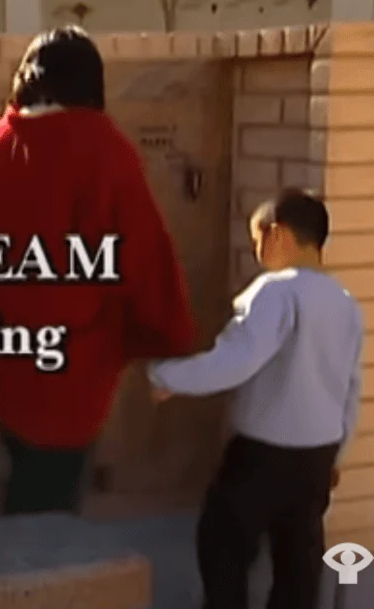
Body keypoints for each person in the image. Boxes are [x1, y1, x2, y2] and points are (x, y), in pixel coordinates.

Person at [0, 25, 197, 515]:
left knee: (24, 483)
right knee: (53, 509)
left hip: (6, 358)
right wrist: (168, 341)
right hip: (76, 369)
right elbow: (144, 255)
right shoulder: (105, 151)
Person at [147, 189, 364, 609]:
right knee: (298, 563)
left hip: (262, 457)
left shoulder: (276, 292)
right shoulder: (344, 303)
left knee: (222, 546)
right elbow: (351, 388)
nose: (255, 249)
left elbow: (235, 360)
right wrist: (337, 454)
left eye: (257, 238)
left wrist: (166, 375)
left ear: (278, 233)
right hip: (317, 457)